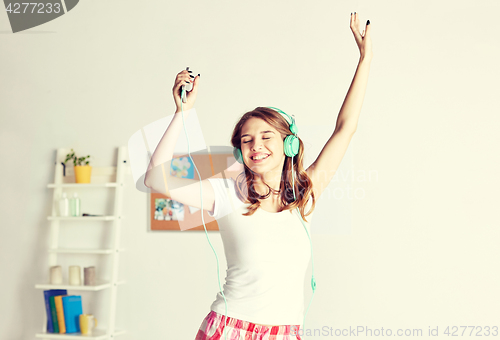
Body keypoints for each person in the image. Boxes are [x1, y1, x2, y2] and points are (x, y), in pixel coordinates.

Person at [144, 12, 372, 340]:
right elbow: (155, 178)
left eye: (267, 137)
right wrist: (182, 113)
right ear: (240, 151)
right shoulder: (225, 193)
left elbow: (345, 128)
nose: (256, 146)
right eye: (247, 140)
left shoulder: (305, 195)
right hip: (229, 329)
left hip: (285, 333)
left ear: (288, 144)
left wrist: (365, 59)